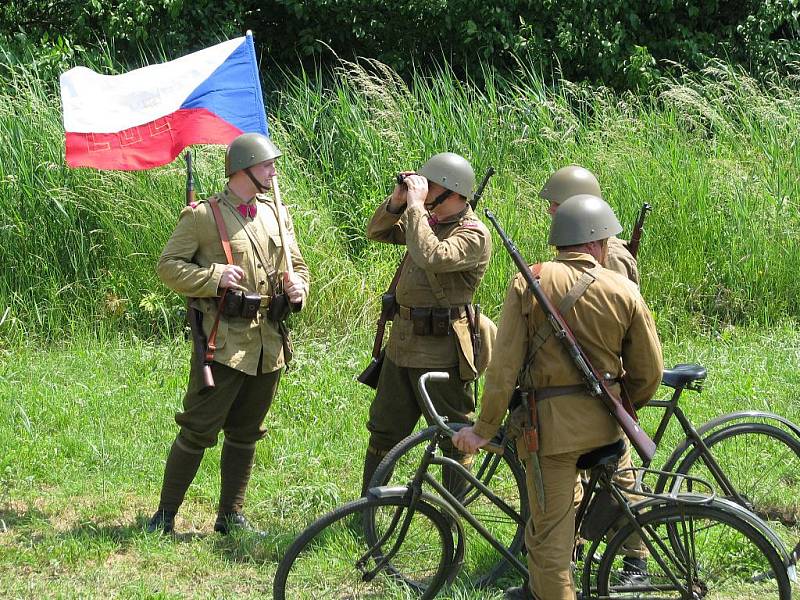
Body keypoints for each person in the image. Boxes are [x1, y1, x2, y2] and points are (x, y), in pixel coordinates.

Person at [453, 194, 663, 600]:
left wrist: (484, 429)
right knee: (610, 494)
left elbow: (503, 368)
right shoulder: (624, 289)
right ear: (597, 242)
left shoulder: (530, 280)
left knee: (548, 545)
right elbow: (648, 372)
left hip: (550, 435)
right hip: (608, 430)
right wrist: (620, 404)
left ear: (560, 241)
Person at [146, 132, 310, 535]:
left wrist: (299, 287)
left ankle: (231, 516)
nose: (273, 170)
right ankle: (165, 517)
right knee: (198, 429)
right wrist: (214, 276)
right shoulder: (204, 217)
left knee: (247, 432)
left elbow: (299, 266)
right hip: (224, 344)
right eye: (266, 164)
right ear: (243, 169)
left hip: (268, 344)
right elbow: (168, 266)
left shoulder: (276, 213)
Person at [360, 152, 493, 498]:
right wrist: (398, 201)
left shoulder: (473, 234)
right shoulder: (427, 220)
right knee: (384, 430)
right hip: (402, 345)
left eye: (428, 184)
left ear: (451, 191)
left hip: (443, 352)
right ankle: (368, 506)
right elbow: (376, 231)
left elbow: (431, 255)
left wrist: (416, 207)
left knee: (455, 435)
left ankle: (454, 513)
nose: (421, 189)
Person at [539, 165, 639, 285]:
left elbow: (619, 300)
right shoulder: (573, 242)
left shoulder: (610, 255)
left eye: (557, 204)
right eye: (551, 203)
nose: (550, 209)